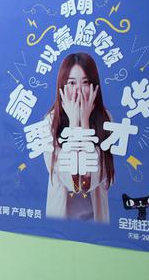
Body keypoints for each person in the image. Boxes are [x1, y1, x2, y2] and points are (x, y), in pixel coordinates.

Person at [44, 52, 113, 223]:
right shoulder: (50, 122)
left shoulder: (106, 120)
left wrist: (85, 121)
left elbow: (92, 179)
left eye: (85, 82)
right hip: (61, 223)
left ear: (94, 86)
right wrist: (74, 121)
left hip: (96, 222)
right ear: (62, 87)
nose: (79, 90)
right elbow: (70, 181)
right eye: (72, 83)